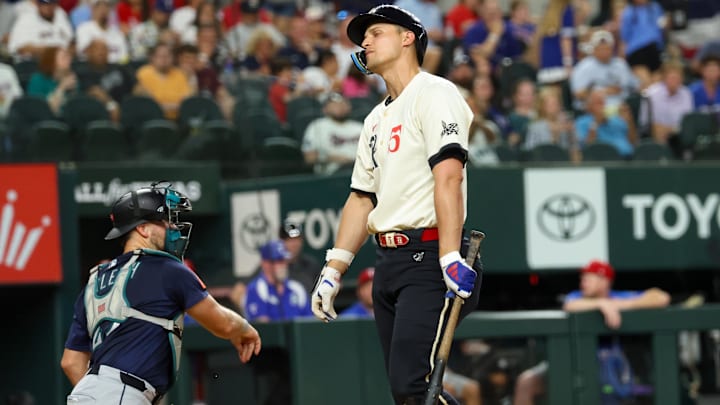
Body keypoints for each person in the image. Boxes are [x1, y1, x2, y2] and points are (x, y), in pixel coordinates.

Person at [310, 6, 481, 405]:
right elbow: (360, 197)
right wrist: (333, 270)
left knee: (414, 388)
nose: (364, 41)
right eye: (362, 37)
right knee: (407, 395)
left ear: (408, 37)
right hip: (387, 263)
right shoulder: (373, 118)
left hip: (430, 257)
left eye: (376, 32)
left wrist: (450, 254)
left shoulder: (435, 92)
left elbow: (450, 176)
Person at [60, 182, 261, 404]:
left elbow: (71, 362)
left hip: (87, 394)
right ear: (143, 228)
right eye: (164, 221)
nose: (173, 227)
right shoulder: (167, 269)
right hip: (122, 393)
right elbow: (223, 324)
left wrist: (99, 395)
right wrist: (244, 329)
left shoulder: (94, 280)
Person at [512, 259, 670, 405]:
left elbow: (661, 297)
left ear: (604, 281)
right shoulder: (577, 297)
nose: (583, 281)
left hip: (609, 364)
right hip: (571, 361)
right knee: (527, 382)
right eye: (583, 277)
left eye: (589, 278)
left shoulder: (618, 297)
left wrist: (618, 305)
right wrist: (601, 304)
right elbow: (570, 305)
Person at [244, 239, 313, 322]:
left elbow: (309, 323)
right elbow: (262, 326)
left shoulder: (297, 289)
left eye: (284, 261)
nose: (283, 265)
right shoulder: (256, 289)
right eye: (279, 261)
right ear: (266, 264)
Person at [301, 92, 363, 175]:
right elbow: (309, 158)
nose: (340, 106)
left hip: (363, 171)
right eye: (335, 104)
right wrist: (332, 158)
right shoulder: (317, 126)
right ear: (325, 109)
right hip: (334, 174)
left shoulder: (360, 127)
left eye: (343, 103)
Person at [279, 219, 320, 295]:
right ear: (281, 241)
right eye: (290, 240)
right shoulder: (273, 266)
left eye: (297, 239)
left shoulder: (311, 265)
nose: (294, 244)